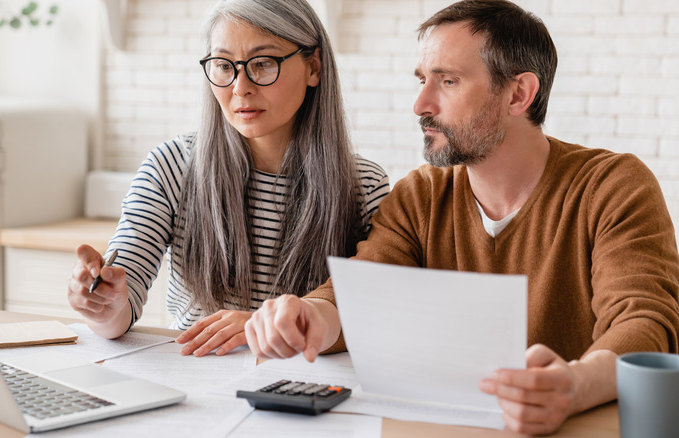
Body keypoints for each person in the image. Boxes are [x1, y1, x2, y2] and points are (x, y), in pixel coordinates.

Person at [244, 0, 679, 435]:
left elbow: (644, 323)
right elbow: (362, 289)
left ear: (518, 94)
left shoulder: (613, 186)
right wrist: (309, 315)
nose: (420, 104)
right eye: (422, 80)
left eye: (448, 81)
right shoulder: (421, 195)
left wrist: (575, 385)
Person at [66, 0, 389, 358]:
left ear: (313, 67)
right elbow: (120, 309)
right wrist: (103, 304)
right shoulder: (172, 165)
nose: (240, 87)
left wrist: (261, 329)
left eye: (263, 64)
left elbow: (371, 316)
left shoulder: (365, 185)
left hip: (307, 386)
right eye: (223, 66)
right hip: (197, 378)